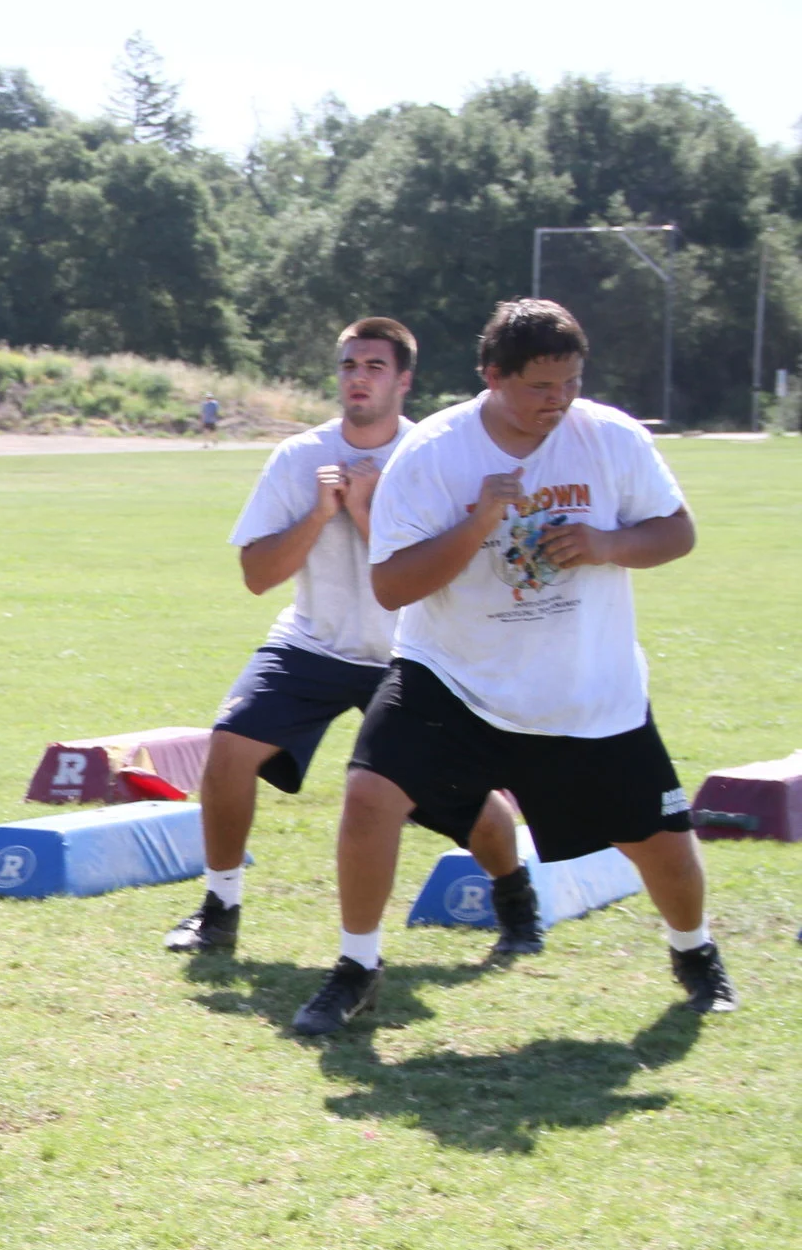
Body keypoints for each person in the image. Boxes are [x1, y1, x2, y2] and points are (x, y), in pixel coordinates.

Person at [291, 299, 737, 1035]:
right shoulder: (434, 452)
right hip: (456, 677)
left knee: (659, 841)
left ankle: (695, 951)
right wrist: (477, 524)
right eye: (539, 386)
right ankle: (356, 966)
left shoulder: (610, 436)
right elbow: (393, 586)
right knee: (369, 793)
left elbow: (677, 531)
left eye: (570, 382)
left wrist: (606, 544)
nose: (557, 401)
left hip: (586, 685)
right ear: (491, 376)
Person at [165, 318, 528, 956]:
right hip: (312, 643)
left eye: (375, 367)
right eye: (349, 366)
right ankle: (219, 908)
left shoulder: (433, 457)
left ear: (404, 380)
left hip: (412, 654)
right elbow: (256, 576)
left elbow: (428, 572)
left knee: (458, 797)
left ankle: (517, 900)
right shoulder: (299, 456)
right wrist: (319, 512)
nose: (358, 379)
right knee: (228, 747)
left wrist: (365, 510)